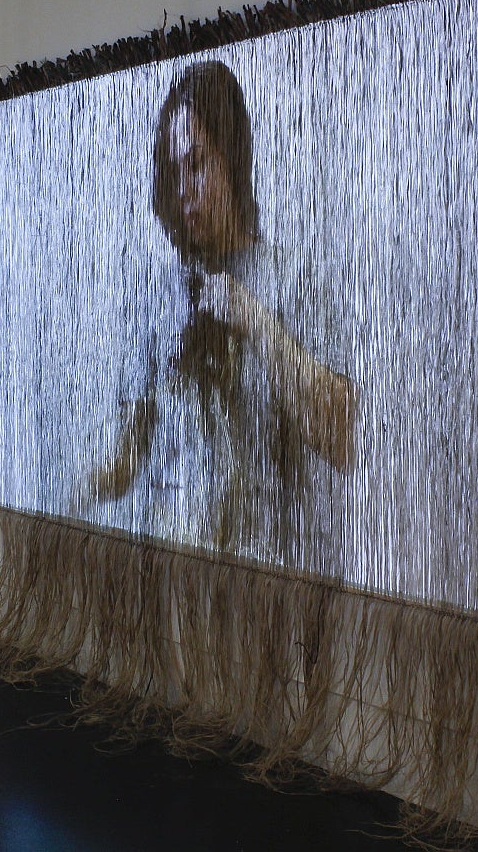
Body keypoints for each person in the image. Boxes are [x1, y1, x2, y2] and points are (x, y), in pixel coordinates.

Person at [86, 60, 354, 565]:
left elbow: (342, 440)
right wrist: (70, 492)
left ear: (233, 159)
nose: (184, 190)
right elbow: (124, 458)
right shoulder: (158, 295)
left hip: (265, 581)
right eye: (175, 172)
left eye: (197, 165)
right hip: (171, 573)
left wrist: (258, 325)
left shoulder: (292, 281)